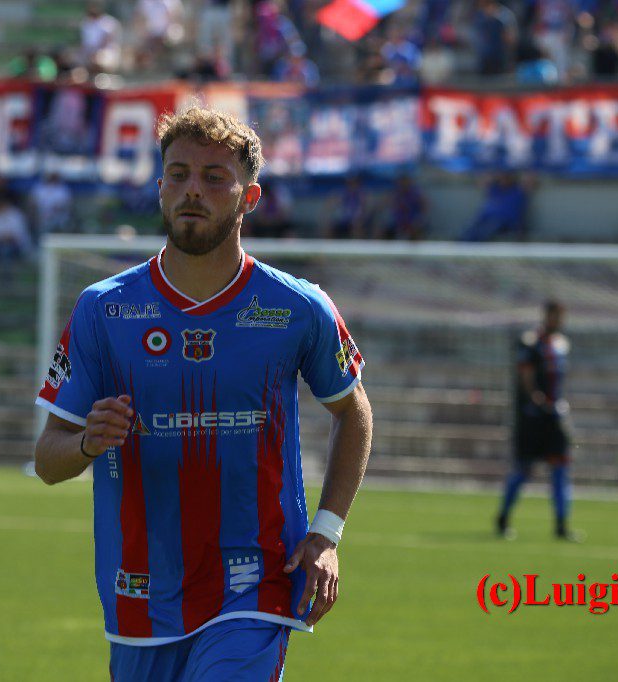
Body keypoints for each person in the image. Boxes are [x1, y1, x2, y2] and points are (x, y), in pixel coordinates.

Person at [33, 106, 373, 681]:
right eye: (179, 174)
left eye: (215, 177)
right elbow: (47, 460)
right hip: (141, 593)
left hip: (256, 586)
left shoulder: (297, 307)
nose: (193, 189)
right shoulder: (104, 309)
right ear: (160, 187)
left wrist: (327, 533)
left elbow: (353, 411)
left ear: (250, 198)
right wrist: (88, 441)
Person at [496, 300, 578, 541]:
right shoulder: (531, 343)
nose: (558, 321)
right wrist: (536, 400)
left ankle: (561, 525)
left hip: (554, 418)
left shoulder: (561, 344)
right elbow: (526, 377)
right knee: (523, 471)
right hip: (533, 419)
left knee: (560, 469)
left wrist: (558, 408)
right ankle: (503, 517)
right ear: (547, 315)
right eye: (555, 316)